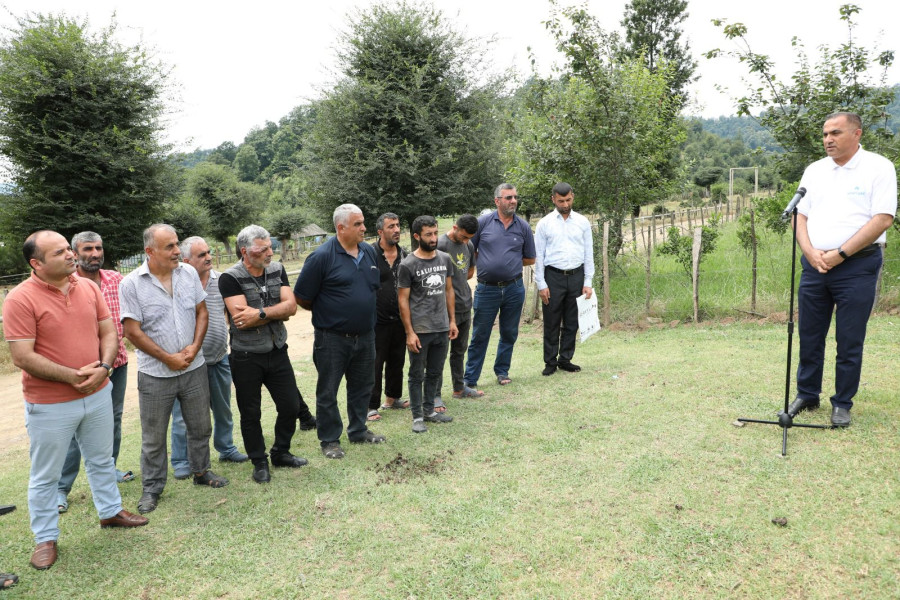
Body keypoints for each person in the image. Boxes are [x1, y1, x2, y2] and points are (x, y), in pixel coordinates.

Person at [4, 231, 148, 571]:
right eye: (59, 252)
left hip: (98, 392)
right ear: (36, 263)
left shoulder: (88, 287)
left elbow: (108, 331)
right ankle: (45, 538)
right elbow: (22, 356)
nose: (70, 255)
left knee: (102, 459)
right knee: (46, 475)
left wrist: (104, 368)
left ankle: (110, 512)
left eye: (68, 249)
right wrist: (73, 377)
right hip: (50, 403)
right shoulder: (19, 299)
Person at [785, 112, 897, 427]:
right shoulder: (815, 170)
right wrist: (810, 252)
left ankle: (842, 403)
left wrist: (841, 253)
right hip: (815, 265)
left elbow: (882, 218)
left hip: (857, 265)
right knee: (809, 335)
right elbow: (799, 214)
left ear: (857, 133)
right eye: (825, 134)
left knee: (849, 339)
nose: (828, 140)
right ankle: (807, 394)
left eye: (835, 133)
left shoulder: (878, 167)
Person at [120, 224, 227, 515]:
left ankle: (201, 471)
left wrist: (194, 347)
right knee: (154, 437)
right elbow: (132, 331)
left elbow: (202, 311)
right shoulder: (132, 284)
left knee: (200, 426)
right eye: (169, 246)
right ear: (150, 251)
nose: (177, 251)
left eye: (177, 244)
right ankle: (152, 488)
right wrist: (168, 358)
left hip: (194, 367)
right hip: (156, 374)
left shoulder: (188, 273)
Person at [219, 225, 311, 483]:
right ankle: (259, 461)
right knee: (251, 413)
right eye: (263, 249)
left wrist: (260, 313)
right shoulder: (230, 278)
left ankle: (281, 452)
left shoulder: (277, 269)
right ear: (245, 251)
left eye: (270, 247)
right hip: (246, 356)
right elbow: (241, 320)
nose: (270, 252)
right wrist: (276, 312)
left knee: (291, 405)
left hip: (278, 349)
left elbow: (291, 307)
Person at [294, 204, 386, 459]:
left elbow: (372, 288)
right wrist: (331, 314)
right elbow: (302, 297)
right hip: (332, 338)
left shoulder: (369, 252)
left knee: (362, 386)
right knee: (328, 390)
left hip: (366, 335)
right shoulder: (321, 257)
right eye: (358, 224)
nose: (364, 228)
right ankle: (330, 440)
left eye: (363, 222)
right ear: (341, 228)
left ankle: (358, 430)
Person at [56, 232, 134, 516]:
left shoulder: (116, 280)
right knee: (73, 426)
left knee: (113, 419)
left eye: (98, 248)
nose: (95, 253)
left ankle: (108, 469)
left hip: (117, 363)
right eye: (87, 248)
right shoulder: (66, 284)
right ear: (75, 253)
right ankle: (60, 489)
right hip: (82, 369)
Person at [169, 236, 248, 481]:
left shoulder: (221, 280)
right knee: (183, 416)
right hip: (188, 363)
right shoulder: (176, 283)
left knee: (223, 409)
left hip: (218, 357)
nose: (209, 257)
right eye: (201, 255)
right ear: (186, 261)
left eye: (209, 252)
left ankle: (226, 448)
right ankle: (181, 460)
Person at [464, 183, 536, 389]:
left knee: (509, 332)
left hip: (514, 288)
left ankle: (502, 371)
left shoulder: (523, 227)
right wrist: (489, 263)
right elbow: (471, 251)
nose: (513, 201)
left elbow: (530, 258)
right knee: (480, 334)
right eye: (508, 198)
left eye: (515, 197)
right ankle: (470, 378)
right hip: (487, 289)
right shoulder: (483, 223)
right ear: (497, 201)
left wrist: (508, 263)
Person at [398, 215, 458, 433]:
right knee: (416, 374)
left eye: (435, 233)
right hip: (420, 330)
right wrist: (409, 332)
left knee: (435, 371)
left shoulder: (444, 258)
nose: (433, 238)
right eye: (428, 234)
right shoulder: (408, 264)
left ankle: (430, 411)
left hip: (441, 326)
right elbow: (403, 300)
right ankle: (417, 417)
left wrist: (452, 321)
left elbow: (449, 290)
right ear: (417, 236)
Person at [534, 183, 595, 376]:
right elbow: (539, 256)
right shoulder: (544, 224)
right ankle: (550, 361)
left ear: (573, 197)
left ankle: (565, 359)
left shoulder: (583, 222)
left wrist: (588, 282)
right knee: (551, 320)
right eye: (561, 201)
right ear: (553, 199)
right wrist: (541, 284)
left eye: (568, 200)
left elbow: (588, 253)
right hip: (553, 276)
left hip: (577, 275)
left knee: (572, 320)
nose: (565, 204)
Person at [368, 212, 410, 421]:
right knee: (374, 363)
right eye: (391, 226)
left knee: (397, 360)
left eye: (398, 225)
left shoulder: (406, 256)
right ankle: (370, 406)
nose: (396, 230)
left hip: (400, 319)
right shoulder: (369, 255)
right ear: (380, 232)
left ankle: (392, 398)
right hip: (376, 321)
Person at [436, 214, 480, 403]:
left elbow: (469, 272)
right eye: (463, 236)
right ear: (455, 227)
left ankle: (459, 388)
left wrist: (459, 285)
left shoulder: (468, 245)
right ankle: (435, 395)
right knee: (438, 354)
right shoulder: (440, 245)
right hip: (444, 309)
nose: (466, 241)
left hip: (464, 305)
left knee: (459, 350)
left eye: (469, 238)